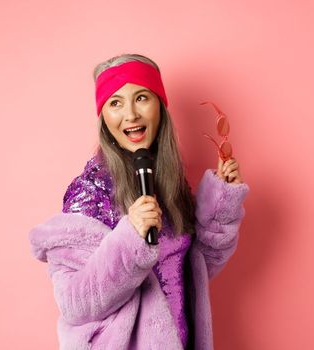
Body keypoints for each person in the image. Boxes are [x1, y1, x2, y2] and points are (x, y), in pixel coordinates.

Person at [28, 53, 249, 349]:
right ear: (104, 118)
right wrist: (131, 238)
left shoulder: (167, 182)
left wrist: (221, 203)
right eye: (115, 103)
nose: (130, 114)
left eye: (141, 97)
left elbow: (192, 272)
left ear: (160, 106)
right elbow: (75, 303)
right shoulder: (89, 192)